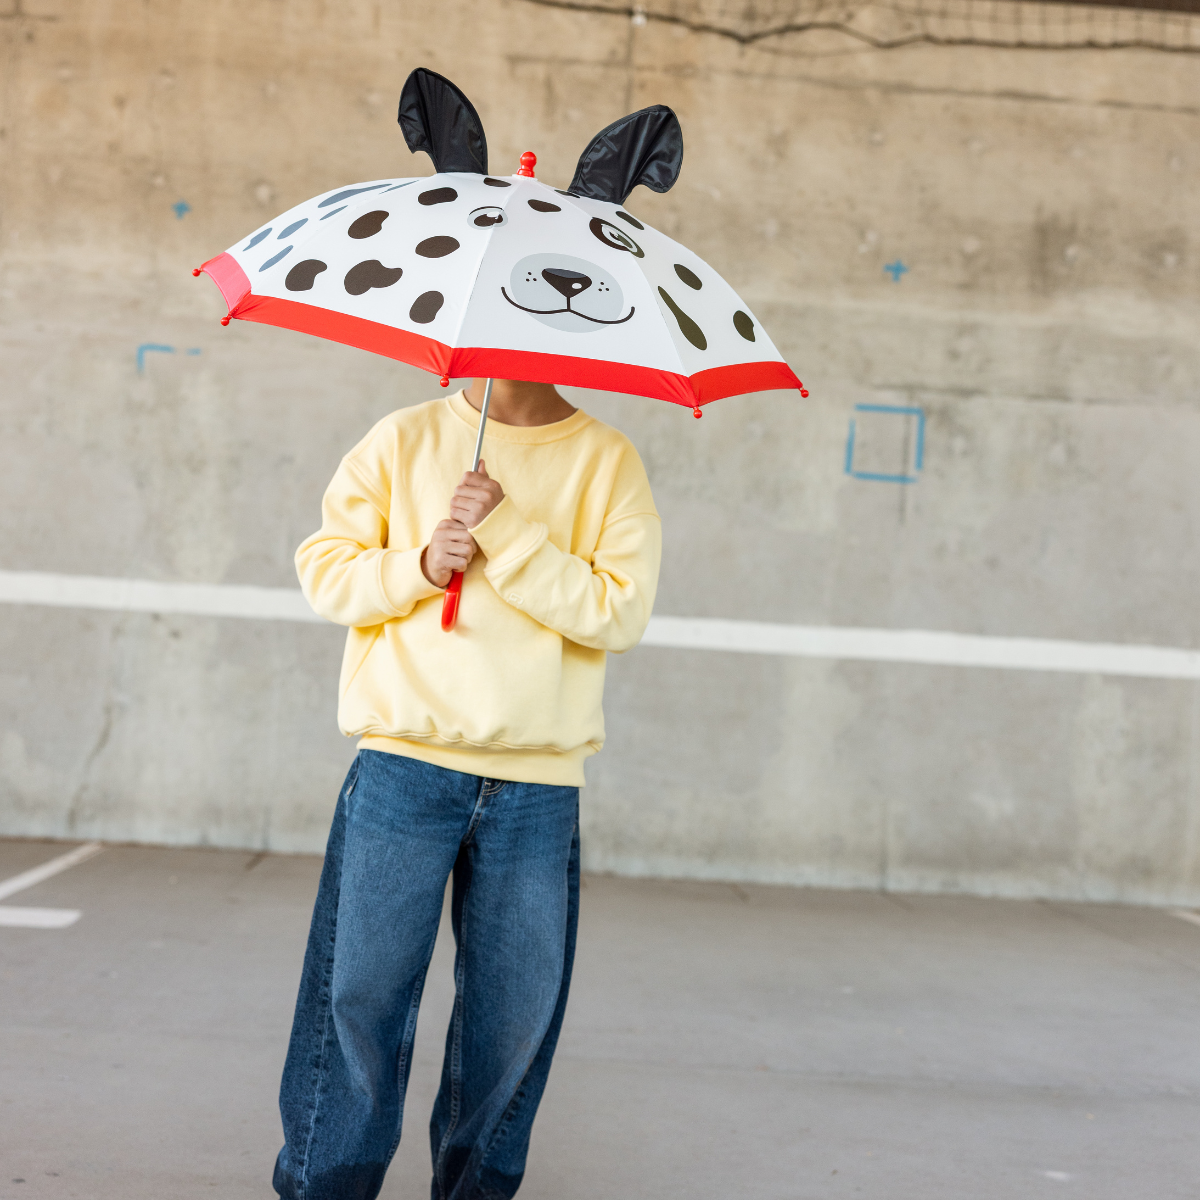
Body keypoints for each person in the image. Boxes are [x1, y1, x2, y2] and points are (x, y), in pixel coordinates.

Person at [272, 377, 662, 1200]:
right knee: (359, 1002)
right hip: (403, 765)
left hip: (536, 783)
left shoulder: (606, 459)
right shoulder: (401, 436)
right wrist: (419, 563)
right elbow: (325, 573)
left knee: (512, 1022)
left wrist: (506, 532)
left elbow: (617, 614)